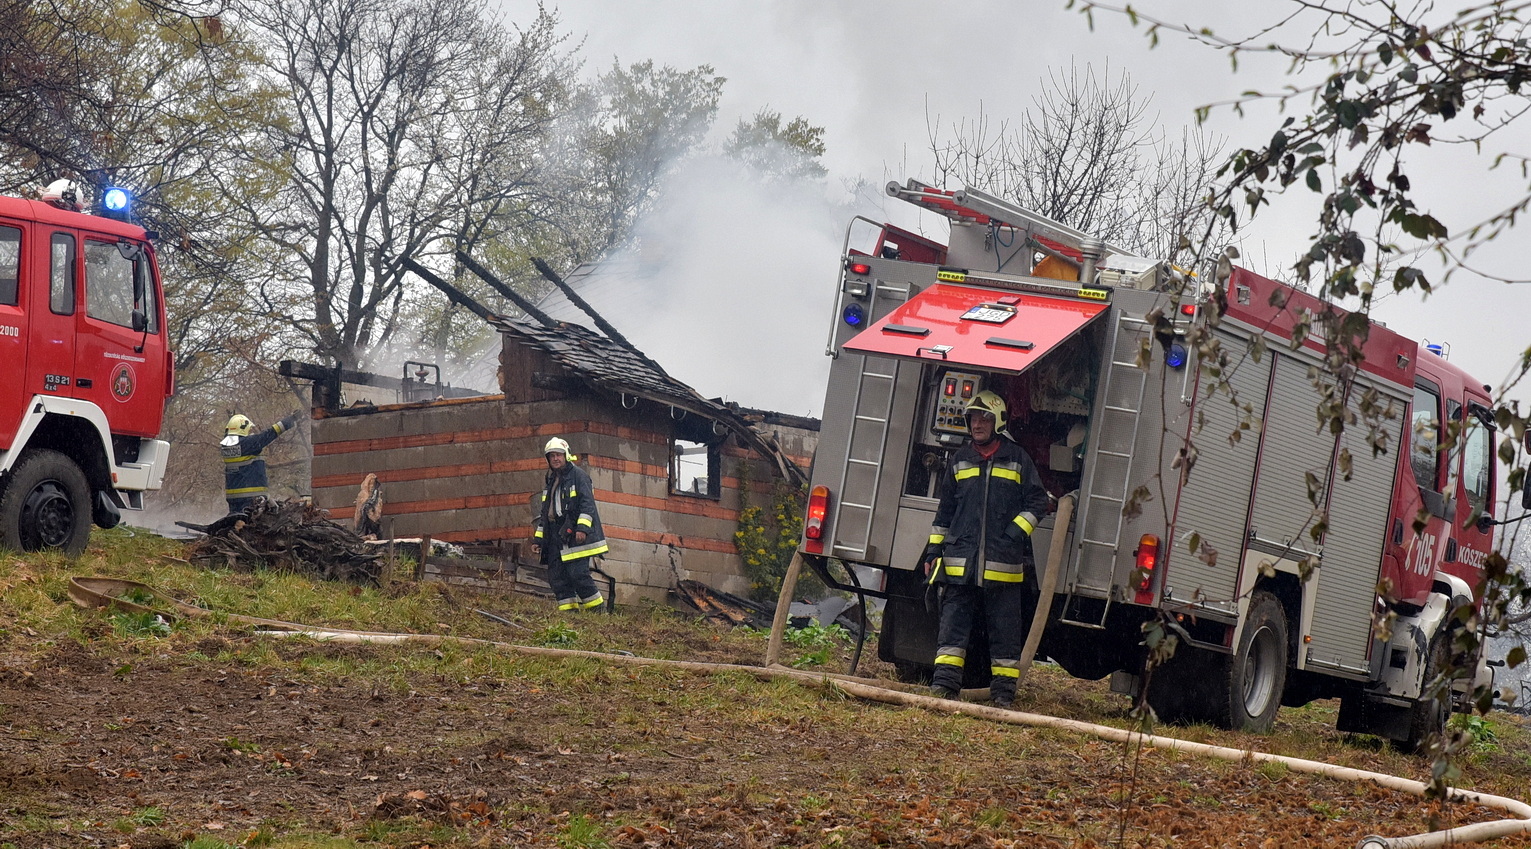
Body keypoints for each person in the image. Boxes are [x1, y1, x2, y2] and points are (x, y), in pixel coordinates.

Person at [923, 390, 1049, 709]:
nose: (977, 424)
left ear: (998, 422)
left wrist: (1012, 535)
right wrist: (932, 553)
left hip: (1003, 566)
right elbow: (944, 513)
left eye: (984, 418)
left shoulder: (1018, 459)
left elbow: (1038, 502)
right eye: (973, 418)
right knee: (952, 628)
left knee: (1005, 632)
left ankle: (1003, 694)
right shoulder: (960, 460)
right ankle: (944, 687)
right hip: (958, 564)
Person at [532, 437, 608, 611]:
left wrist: (582, 528)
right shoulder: (551, 481)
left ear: (566, 456)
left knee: (578, 574)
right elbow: (545, 514)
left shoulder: (579, 476)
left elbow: (587, 505)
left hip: (575, 534)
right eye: (552, 456)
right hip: (556, 535)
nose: (555, 459)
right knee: (557, 576)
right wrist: (539, 540)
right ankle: (570, 614)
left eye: (558, 455)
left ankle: (597, 611)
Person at [222, 410, 300, 514]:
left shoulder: (225, 446)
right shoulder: (247, 444)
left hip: (234, 500)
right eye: (248, 429)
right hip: (250, 499)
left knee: (236, 524)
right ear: (241, 428)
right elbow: (270, 433)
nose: (249, 432)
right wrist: (291, 420)